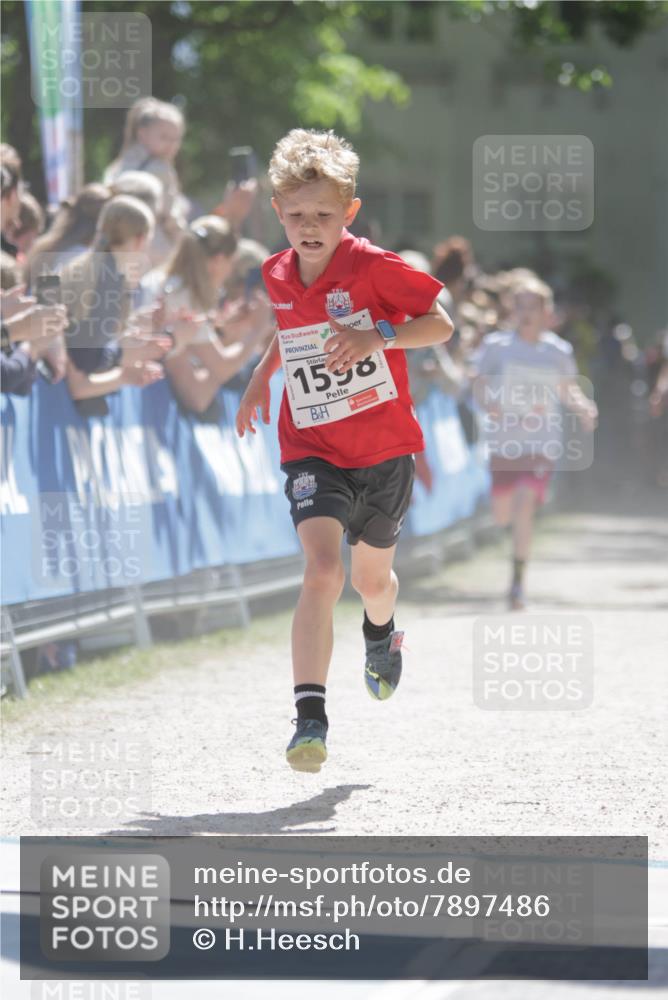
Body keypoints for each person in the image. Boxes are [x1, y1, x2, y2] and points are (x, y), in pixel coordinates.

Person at [236, 129, 453, 773]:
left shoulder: (373, 265)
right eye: (297, 214)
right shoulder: (275, 271)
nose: (309, 226)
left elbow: (442, 323)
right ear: (277, 209)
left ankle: (383, 634)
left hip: (384, 450)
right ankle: (310, 719)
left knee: (371, 581)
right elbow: (291, 328)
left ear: (349, 213)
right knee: (323, 571)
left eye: (324, 215)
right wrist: (258, 378)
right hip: (312, 446)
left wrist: (376, 337)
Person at [472, 275, 598, 610]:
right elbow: (479, 383)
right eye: (521, 306)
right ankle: (512, 550)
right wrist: (490, 405)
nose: (527, 313)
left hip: (541, 442)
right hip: (504, 442)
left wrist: (584, 406)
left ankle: (517, 583)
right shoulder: (497, 346)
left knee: (524, 503)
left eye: (534, 306)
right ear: (512, 310)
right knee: (502, 513)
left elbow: (567, 387)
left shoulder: (557, 351)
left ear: (546, 311)